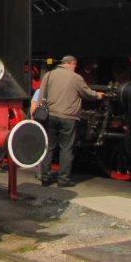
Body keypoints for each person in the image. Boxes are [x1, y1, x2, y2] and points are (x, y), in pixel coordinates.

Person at [37, 55, 103, 187]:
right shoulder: (75, 77)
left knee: (49, 147)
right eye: (75, 66)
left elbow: (41, 95)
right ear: (71, 63)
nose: (75, 68)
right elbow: (86, 93)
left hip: (51, 115)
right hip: (68, 117)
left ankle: (45, 177)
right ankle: (63, 180)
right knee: (66, 148)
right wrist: (97, 95)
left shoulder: (49, 75)